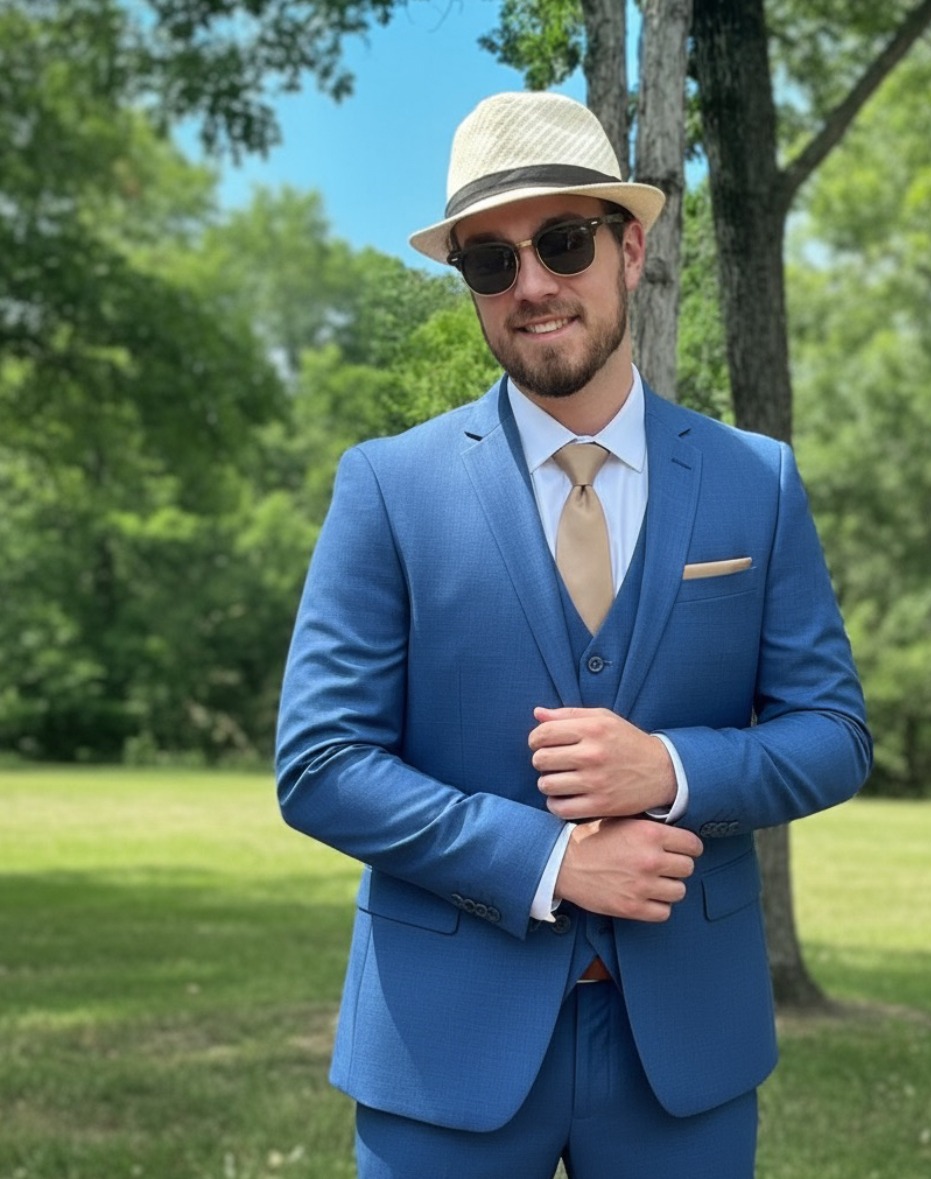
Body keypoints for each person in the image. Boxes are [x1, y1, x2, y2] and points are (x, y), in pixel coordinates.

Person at [275, 90, 872, 1179]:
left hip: (684, 1048)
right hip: (443, 1047)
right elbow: (320, 764)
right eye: (490, 262)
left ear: (629, 249)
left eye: (561, 242)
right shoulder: (388, 488)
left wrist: (671, 769)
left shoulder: (755, 481)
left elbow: (834, 733)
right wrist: (551, 860)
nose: (533, 285)